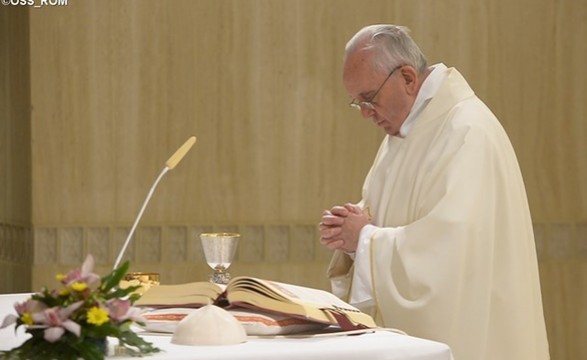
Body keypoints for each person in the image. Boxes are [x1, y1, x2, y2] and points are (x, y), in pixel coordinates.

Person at [319, 24, 550, 360]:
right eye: (358, 104)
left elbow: (451, 256)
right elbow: (392, 217)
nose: (366, 114)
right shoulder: (403, 136)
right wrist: (351, 228)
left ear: (408, 78)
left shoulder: (467, 132)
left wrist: (366, 240)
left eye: (369, 99)